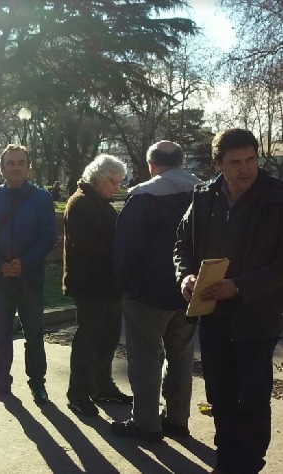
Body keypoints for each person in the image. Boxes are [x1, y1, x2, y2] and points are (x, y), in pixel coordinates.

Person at [174, 128, 283, 473]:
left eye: (251, 159)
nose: (245, 168)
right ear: (218, 164)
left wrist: (239, 286)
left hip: (258, 316)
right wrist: (185, 276)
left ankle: (249, 463)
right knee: (220, 395)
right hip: (213, 315)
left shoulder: (276, 198)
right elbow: (181, 244)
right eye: (235, 162)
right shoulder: (204, 196)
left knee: (252, 398)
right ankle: (226, 460)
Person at [111, 141, 202, 442]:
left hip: (148, 292)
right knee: (181, 357)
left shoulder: (145, 195)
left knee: (146, 358)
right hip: (191, 289)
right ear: (181, 161)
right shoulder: (204, 193)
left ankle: (146, 422)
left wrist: (123, 284)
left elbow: (126, 249)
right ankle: (178, 419)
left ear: (151, 164)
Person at [0, 144, 56, 404]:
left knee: (34, 333)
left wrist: (25, 263)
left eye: (21, 162)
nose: (16, 167)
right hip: (0, 278)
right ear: (2, 167)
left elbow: (48, 237)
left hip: (30, 278)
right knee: (1, 334)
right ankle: (1, 382)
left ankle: (38, 384)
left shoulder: (42, 199)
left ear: (28, 166)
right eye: (11, 163)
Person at [63, 154, 131, 416]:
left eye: (118, 182)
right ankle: (78, 393)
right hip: (90, 284)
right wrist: (122, 249)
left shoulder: (102, 202)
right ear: (98, 179)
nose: (117, 187)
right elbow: (89, 245)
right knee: (89, 340)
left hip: (109, 283)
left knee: (109, 338)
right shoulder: (80, 203)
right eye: (113, 182)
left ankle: (102, 385)